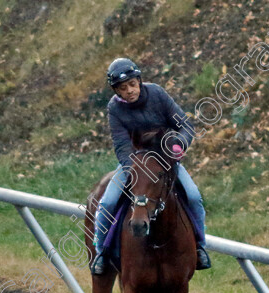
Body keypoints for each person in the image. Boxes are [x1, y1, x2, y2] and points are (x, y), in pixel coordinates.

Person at [90, 57, 211, 274]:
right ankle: (101, 252)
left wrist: (179, 144)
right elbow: (121, 145)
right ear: (116, 91)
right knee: (107, 202)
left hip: (165, 162)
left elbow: (185, 125)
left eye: (132, 84)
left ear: (140, 81)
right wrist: (134, 170)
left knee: (193, 196)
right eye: (123, 88)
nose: (129, 91)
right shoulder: (114, 109)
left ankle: (200, 246)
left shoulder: (157, 94)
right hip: (134, 166)